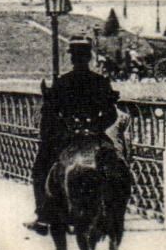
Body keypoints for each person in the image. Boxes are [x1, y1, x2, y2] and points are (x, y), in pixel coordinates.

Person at [28, 36, 119, 234]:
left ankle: (44, 217)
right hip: (96, 136)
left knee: (41, 169)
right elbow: (111, 114)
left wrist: (67, 128)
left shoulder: (63, 82)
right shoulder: (100, 82)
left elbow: (52, 115)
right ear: (89, 57)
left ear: (72, 58)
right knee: (118, 164)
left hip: (68, 137)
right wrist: (95, 127)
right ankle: (115, 210)